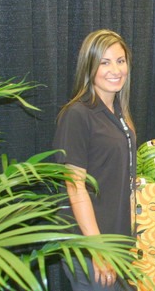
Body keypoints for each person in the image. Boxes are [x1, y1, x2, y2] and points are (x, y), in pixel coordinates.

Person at [54, 29, 136, 290]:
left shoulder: (120, 113)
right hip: (90, 247)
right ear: (89, 67)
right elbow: (74, 186)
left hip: (117, 244)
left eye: (120, 61)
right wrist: (97, 249)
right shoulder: (78, 114)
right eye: (105, 62)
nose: (115, 70)